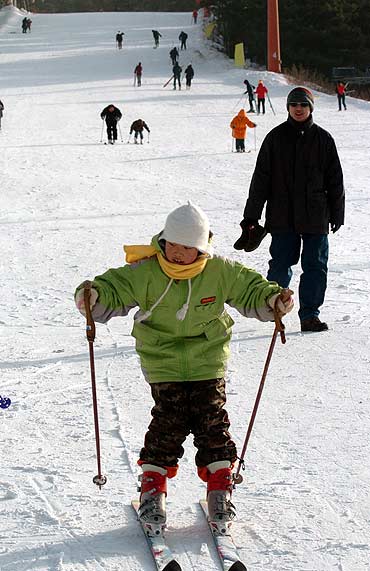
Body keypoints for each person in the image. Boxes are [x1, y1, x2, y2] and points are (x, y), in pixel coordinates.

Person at [74, 202, 293, 528]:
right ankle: (152, 491)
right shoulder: (146, 270)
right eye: (172, 245)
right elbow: (114, 286)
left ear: (201, 248)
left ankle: (220, 491)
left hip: (208, 357)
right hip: (163, 359)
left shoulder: (220, 271)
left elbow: (251, 289)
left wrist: (274, 301)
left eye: (187, 248)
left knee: (212, 423)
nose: (177, 253)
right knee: (169, 423)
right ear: (163, 242)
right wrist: (93, 297)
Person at [234, 87, 345, 332]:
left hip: (316, 216)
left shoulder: (323, 140)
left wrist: (338, 213)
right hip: (282, 216)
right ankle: (275, 309)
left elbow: (335, 179)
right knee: (281, 265)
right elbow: (260, 179)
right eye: (294, 104)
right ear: (288, 107)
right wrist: (251, 215)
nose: (298, 108)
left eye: (303, 105)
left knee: (315, 266)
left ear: (310, 108)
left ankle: (309, 315)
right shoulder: (275, 138)